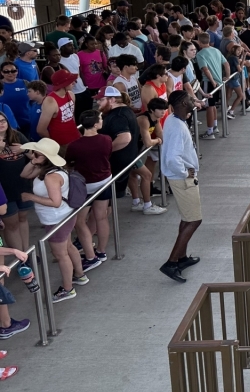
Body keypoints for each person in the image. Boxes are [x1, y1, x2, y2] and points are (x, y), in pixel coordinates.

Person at [20, 138, 85, 304]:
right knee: (68, 247)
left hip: (56, 219)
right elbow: (24, 174)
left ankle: (67, 289)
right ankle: (79, 274)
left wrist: (30, 197)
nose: (32, 155)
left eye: (37, 153)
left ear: (46, 157)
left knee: (60, 254)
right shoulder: (51, 170)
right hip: (65, 216)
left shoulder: (50, 177)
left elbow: (55, 202)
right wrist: (34, 160)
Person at [97, 87, 165, 215]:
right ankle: (146, 205)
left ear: (112, 100)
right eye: (161, 110)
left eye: (101, 100)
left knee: (135, 175)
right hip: (128, 156)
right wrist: (105, 151)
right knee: (145, 175)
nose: (98, 103)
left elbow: (158, 134)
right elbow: (134, 139)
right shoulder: (136, 117)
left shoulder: (122, 115)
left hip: (130, 155)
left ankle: (137, 202)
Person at [159, 90, 203, 284]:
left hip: (179, 177)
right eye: (190, 99)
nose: (194, 101)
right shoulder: (177, 126)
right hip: (182, 179)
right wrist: (186, 173)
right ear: (184, 103)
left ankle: (182, 257)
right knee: (194, 220)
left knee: (187, 218)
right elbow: (172, 158)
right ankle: (171, 262)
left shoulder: (172, 119)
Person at [65, 110, 113, 264]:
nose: (102, 120)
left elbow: (69, 162)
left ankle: (90, 255)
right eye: (100, 118)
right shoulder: (106, 140)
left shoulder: (74, 145)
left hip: (85, 185)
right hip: (104, 181)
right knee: (102, 217)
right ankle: (101, 251)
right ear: (95, 124)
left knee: (80, 221)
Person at [0, 111, 31, 259]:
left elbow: (36, 156)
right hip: (4, 191)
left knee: (23, 219)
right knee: (11, 224)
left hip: (23, 185)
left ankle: (26, 253)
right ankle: (21, 258)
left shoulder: (17, 135)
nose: (1, 123)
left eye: (3, 120)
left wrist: (24, 149)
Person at [195, 33, 228, 139]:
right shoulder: (216, 50)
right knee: (213, 105)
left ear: (199, 42)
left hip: (208, 82)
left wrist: (212, 81)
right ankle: (215, 127)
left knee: (209, 106)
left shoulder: (200, 54)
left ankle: (210, 132)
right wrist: (227, 76)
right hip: (218, 82)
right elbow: (226, 63)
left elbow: (205, 69)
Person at [37, 70, 81, 148]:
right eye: (70, 81)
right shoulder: (50, 101)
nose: (74, 82)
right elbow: (41, 130)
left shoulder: (71, 94)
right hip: (61, 143)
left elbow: (72, 117)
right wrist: (54, 144)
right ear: (63, 84)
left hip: (75, 138)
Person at [0, 63, 31, 135]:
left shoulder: (25, 83)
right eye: (6, 71)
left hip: (26, 122)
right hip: (5, 125)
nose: (10, 73)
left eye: (13, 71)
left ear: (17, 71)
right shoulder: (0, 85)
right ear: (2, 73)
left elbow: (33, 100)